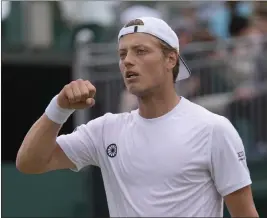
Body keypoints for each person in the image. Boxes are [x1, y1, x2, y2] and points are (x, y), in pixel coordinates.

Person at [16, 17, 258, 217]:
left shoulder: (213, 129)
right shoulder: (105, 130)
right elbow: (30, 162)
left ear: (170, 59)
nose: (128, 61)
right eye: (123, 54)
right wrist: (59, 108)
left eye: (141, 51)